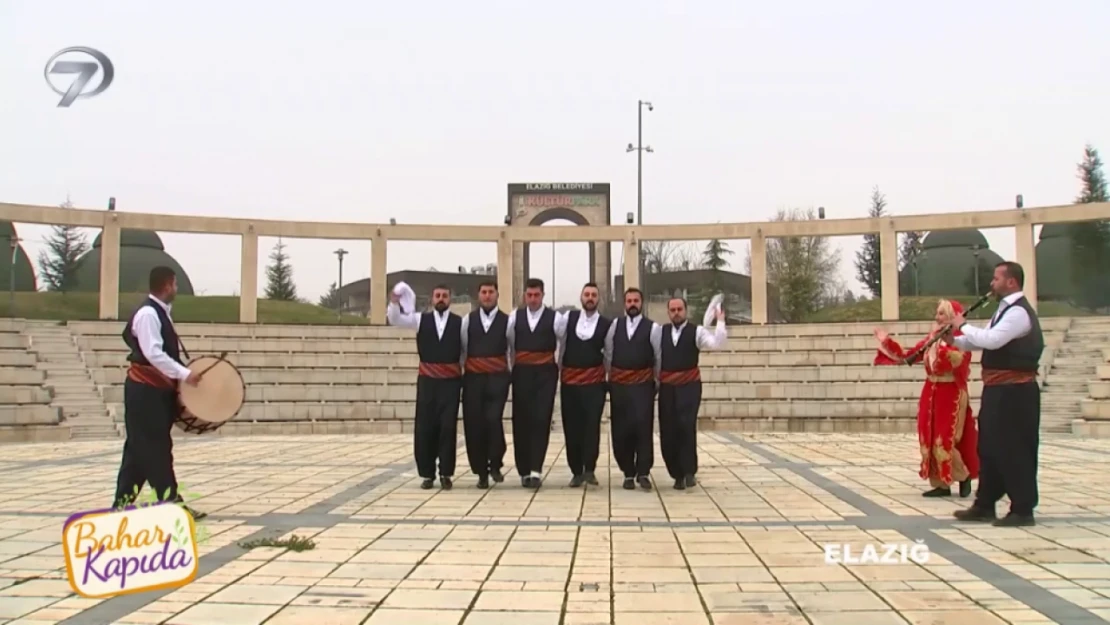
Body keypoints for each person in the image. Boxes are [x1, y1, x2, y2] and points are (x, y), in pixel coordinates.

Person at [947, 261, 1043, 527]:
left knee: (1015, 448)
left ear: (1010, 282)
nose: (992, 283)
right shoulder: (1004, 310)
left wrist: (963, 324)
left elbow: (993, 340)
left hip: (1016, 392)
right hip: (998, 391)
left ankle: (1023, 508)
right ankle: (985, 504)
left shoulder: (1019, 313)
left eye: (996, 278)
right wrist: (953, 340)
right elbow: (983, 339)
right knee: (988, 447)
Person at [114, 266, 206, 520]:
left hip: (154, 391)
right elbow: (153, 354)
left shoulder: (160, 313)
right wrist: (186, 374)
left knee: (138, 450)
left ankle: (121, 505)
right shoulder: (148, 314)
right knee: (155, 448)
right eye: (175, 284)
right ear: (168, 284)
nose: (176, 289)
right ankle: (171, 502)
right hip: (145, 391)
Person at [873, 299, 980, 499]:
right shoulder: (932, 337)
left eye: (941, 313)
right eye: (937, 313)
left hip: (951, 392)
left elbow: (956, 362)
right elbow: (910, 355)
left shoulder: (959, 338)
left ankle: (962, 475)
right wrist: (887, 341)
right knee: (928, 436)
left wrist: (943, 344)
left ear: (951, 316)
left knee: (945, 438)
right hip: (931, 390)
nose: (937, 317)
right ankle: (940, 483)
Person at [388, 283, 463, 490]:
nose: (441, 299)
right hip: (428, 382)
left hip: (451, 382)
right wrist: (395, 300)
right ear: (432, 298)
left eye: (445, 296)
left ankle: (446, 473)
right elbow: (394, 319)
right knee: (425, 426)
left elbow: (464, 353)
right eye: (437, 295)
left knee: (448, 428)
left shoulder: (460, 323)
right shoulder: (420, 320)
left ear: (450, 300)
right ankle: (427, 474)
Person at [658, 296, 728, 490]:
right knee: (668, 430)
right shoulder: (660, 332)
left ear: (685, 311)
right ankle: (676, 474)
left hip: (689, 386)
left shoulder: (696, 332)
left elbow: (717, 343)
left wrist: (720, 320)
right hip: (667, 388)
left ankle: (689, 472)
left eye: (679, 309)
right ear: (668, 312)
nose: (676, 313)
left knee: (686, 426)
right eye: (672, 310)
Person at [554, 282, 611, 488]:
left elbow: (610, 353)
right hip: (570, 383)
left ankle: (589, 469)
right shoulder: (568, 319)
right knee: (572, 427)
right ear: (581, 297)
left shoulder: (606, 324)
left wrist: (609, 378)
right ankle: (576, 471)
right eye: (586, 294)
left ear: (598, 299)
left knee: (591, 426)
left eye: (594, 295)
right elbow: (557, 342)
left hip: (594, 384)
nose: (590, 298)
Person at [605, 287, 662, 491]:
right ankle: (628, 472)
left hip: (643, 385)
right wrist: (610, 378)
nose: (632, 304)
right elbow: (609, 354)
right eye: (629, 301)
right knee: (621, 429)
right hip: (619, 385)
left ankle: (643, 472)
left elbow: (658, 356)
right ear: (624, 304)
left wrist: (656, 380)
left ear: (641, 303)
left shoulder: (653, 328)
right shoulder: (615, 326)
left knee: (643, 428)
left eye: (635, 300)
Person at [507, 278, 560, 489]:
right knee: (521, 421)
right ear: (524, 296)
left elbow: (561, 345)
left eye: (536, 295)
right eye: (529, 295)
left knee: (541, 420)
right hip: (522, 373)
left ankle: (536, 469)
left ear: (543, 295)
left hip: (545, 374)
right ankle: (523, 469)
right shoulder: (515, 317)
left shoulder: (555, 319)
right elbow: (510, 344)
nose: (533, 299)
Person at [460, 280, 510, 489]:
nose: (487, 296)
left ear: (497, 295)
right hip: (474, 378)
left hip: (498, 377)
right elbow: (463, 349)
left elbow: (512, 350)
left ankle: (495, 462)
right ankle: (481, 471)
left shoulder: (508, 321)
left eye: (491, 292)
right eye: (484, 292)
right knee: (474, 424)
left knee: (492, 418)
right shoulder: (467, 321)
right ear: (478, 295)